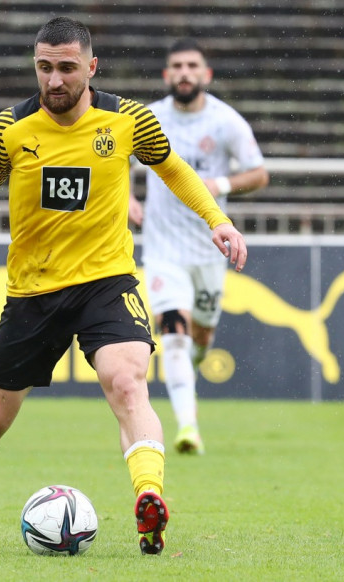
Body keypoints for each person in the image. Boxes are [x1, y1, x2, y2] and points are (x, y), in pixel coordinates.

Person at [0, 18, 247, 556]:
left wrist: (217, 220)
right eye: (44, 67)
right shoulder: (11, 128)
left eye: (67, 68)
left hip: (106, 282)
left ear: (91, 67)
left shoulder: (127, 120)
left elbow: (172, 169)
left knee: (128, 382)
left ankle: (149, 497)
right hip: (33, 292)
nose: (54, 80)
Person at [129, 38, 269, 455]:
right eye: (177, 66)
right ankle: (188, 427)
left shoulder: (226, 122)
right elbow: (116, 162)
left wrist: (219, 184)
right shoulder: (150, 118)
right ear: (166, 75)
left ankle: (187, 376)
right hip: (163, 249)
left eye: (192, 66)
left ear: (205, 74)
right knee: (173, 333)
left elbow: (259, 173)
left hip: (210, 249)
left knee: (200, 335)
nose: (184, 72)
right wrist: (126, 197)